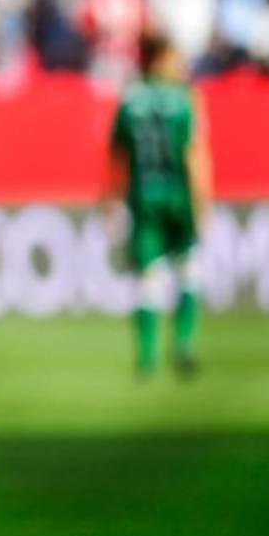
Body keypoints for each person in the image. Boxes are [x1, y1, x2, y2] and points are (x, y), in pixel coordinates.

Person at [106, 30, 213, 379]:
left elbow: (115, 157)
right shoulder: (185, 99)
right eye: (175, 57)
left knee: (148, 280)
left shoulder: (129, 100)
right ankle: (183, 343)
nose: (180, 65)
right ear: (159, 59)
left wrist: (109, 203)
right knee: (188, 270)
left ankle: (147, 357)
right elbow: (194, 155)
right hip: (179, 197)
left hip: (143, 197)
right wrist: (203, 203)